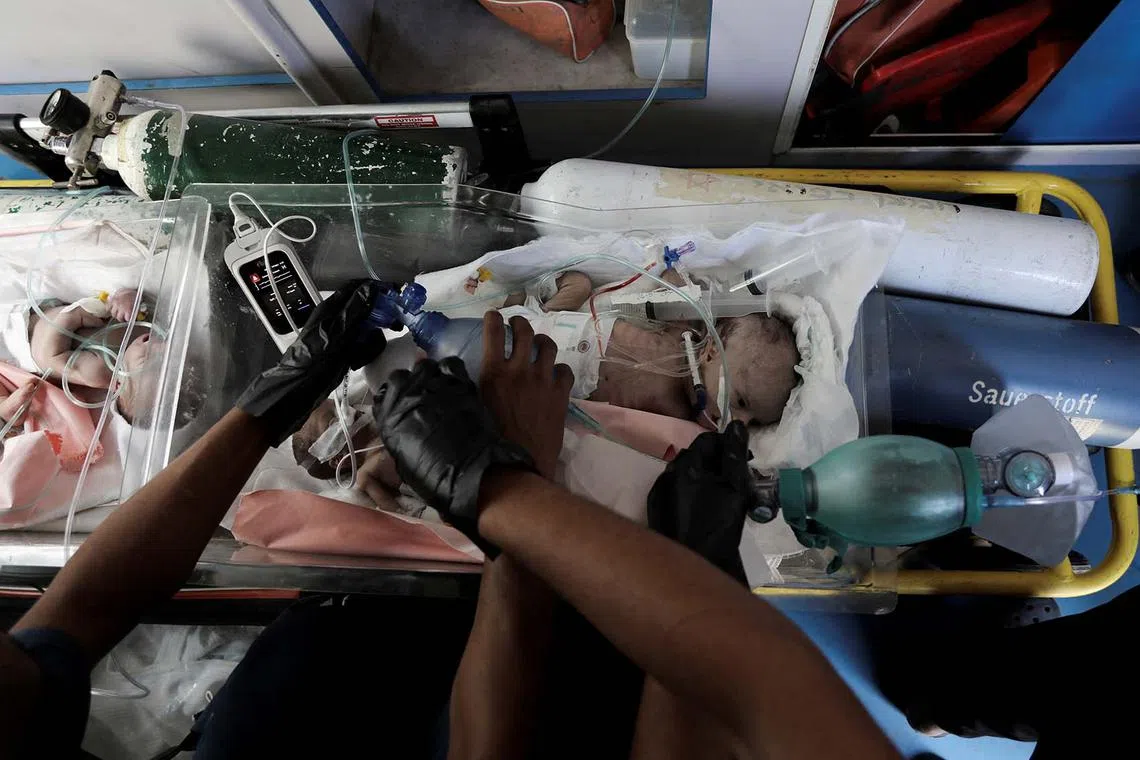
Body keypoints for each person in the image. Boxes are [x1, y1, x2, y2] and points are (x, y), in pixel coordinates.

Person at [0, 280, 898, 759]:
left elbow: (78, 613)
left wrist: (270, 402)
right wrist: (511, 486)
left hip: (367, 658)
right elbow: (496, 743)